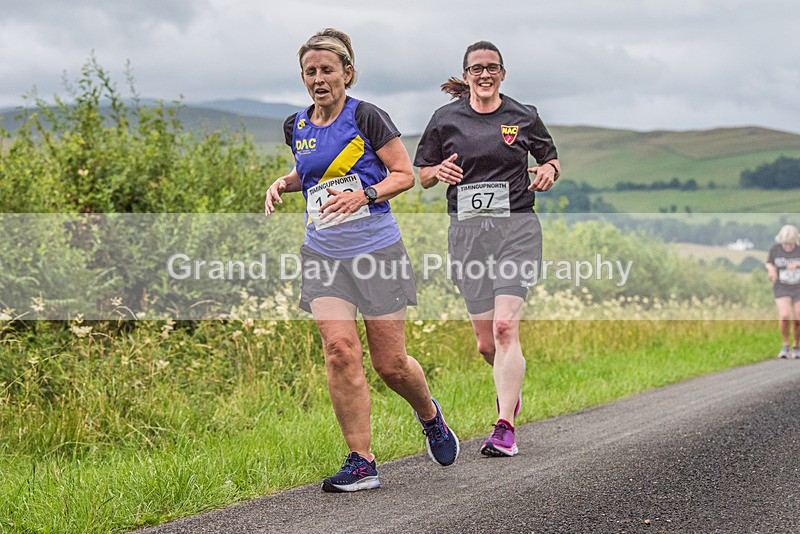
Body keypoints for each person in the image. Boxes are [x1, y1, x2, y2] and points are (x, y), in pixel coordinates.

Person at [264, 28, 458, 492]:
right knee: (339, 351)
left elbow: (404, 175)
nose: (318, 79)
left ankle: (429, 415)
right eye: (310, 72)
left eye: (327, 70)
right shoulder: (297, 125)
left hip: (376, 251)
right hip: (323, 253)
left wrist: (363, 194)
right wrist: (284, 183)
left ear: (347, 73)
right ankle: (361, 461)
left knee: (390, 364)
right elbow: (312, 172)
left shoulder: (367, 116)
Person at [413, 41, 560, 457]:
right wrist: (437, 171)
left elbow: (551, 159)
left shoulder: (522, 116)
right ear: (466, 75)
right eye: (476, 68)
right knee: (485, 344)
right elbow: (421, 175)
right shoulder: (445, 120)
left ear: (502, 73)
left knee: (504, 327)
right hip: (468, 235)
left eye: (491, 67)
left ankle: (505, 427)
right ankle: (508, 390)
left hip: (516, 229)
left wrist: (547, 171)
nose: (484, 74)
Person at [765, 224, 800, 359]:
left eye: (790, 244)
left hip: (798, 287)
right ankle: (785, 344)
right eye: (785, 243)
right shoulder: (775, 249)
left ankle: (796, 346)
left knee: (797, 319)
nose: (787, 246)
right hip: (782, 286)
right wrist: (771, 270)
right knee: (785, 316)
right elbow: (769, 262)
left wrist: (797, 265)